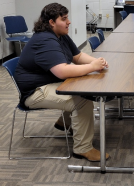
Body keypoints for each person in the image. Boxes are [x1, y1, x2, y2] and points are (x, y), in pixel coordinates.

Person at [14, 3, 109, 162]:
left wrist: (98, 63)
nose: (69, 22)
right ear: (52, 22)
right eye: (64, 19)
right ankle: (83, 149)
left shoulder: (60, 35)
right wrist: (92, 67)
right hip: (34, 92)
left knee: (80, 86)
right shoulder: (45, 40)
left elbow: (77, 57)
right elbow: (62, 71)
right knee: (83, 101)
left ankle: (64, 121)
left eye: (67, 18)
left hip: (47, 84)